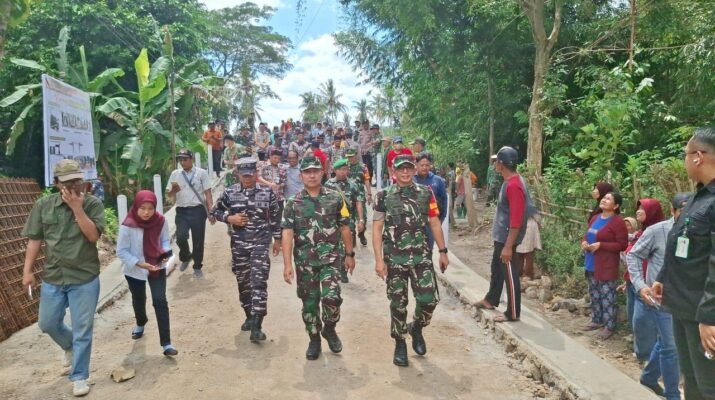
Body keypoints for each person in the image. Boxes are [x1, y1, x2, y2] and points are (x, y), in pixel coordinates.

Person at [21, 159, 105, 397]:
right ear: (57, 183)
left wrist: (78, 209)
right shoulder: (44, 205)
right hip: (54, 276)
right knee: (47, 323)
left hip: (84, 277)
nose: (74, 186)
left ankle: (79, 376)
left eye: (77, 180)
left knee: (83, 329)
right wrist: (27, 271)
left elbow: (92, 237)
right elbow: (35, 239)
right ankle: (69, 346)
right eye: (68, 182)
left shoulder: (92, 204)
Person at [653, 127, 715, 400]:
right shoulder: (698, 198)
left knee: (709, 386)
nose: (684, 161)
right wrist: (663, 277)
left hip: (703, 314)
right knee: (691, 380)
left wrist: (709, 317)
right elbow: (681, 242)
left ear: (698, 157)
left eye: (685, 155)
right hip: (683, 308)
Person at [373, 154, 449, 367]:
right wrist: (379, 260)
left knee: (429, 300)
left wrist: (443, 251)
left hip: (420, 256)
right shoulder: (383, 196)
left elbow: (434, 222)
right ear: (393, 172)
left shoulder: (426, 193)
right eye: (401, 169)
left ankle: (416, 327)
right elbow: (377, 229)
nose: (405, 172)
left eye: (408, 168)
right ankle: (400, 342)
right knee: (398, 303)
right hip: (395, 259)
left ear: (414, 170)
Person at [281, 156, 356, 360]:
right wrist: (287, 264)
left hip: (331, 259)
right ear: (301, 175)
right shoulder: (293, 202)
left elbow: (345, 226)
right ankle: (314, 339)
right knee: (310, 302)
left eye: (315, 171)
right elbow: (287, 232)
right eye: (307, 172)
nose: (312, 175)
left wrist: (350, 254)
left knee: (332, 297)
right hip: (305, 262)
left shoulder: (336, 198)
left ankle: (329, 328)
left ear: (323, 173)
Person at [212, 158, 282, 342]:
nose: (247, 178)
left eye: (250, 175)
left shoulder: (267, 192)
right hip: (239, 244)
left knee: (258, 281)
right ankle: (249, 316)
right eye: (244, 176)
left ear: (256, 174)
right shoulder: (230, 192)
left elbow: (275, 216)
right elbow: (215, 211)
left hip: (260, 242)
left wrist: (277, 239)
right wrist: (229, 218)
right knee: (243, 282)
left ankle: (257, 325)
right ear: (238, 174)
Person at [627, 194, 690, 399]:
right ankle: (672, 394)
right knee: (672, 345)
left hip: (687, 299)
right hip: (662, 299)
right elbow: (633, 255)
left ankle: (649, 376)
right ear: (672, 211)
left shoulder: (699, 230)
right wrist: (640, 285)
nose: (687, 215)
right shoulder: (657, 231)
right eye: (682, 210)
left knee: (667, 341)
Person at [476, 147, 538, 323]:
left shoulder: (514, 186)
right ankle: (491, 299)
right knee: (496, 268)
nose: (494, 164)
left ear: (501, 164)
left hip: (506, 238)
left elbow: (516, 219)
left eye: (496, 161)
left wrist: (509, 246)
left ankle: (513, 312)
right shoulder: (511, 181)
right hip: (501, 237)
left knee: (510, 273)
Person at [117, 190, 177, 356]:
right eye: (142, 208)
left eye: (150, 208)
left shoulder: (161, 221)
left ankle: (166, 343)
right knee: (139, 299)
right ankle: (141, 322)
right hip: (135, 269)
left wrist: (165, 253)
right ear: (136, 206)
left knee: (160, 300)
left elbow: (165, 240)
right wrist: (139, 263)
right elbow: (121, 251)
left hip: (156, 266)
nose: (146, 212)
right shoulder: (128, 225)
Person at [581, 192, 628, 340]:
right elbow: (587, 234)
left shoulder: (617, 222)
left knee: (608, 296)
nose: (604, 200)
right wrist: (584, 242)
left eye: (608, 199)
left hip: (607, 264)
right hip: (591, 261)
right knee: (594, 293)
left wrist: (602, 245)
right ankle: (596, 319)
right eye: (604, 198)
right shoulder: (595, 218)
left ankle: (609, 326)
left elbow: (622, 245)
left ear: (616, 205)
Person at [166, 149, 215, 278]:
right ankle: (186, 256)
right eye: (180, 160)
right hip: (181, 210)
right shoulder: (175, 174)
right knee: (181, 237)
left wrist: (211, 211)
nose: (182, 162)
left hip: (198, 210)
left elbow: (207, 193)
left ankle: (197, 265)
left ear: (191, 159)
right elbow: (169, 194)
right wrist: (173, 191)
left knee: (198, 239)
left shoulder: (201, 173)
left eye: (185, 159)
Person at [626, 198, 665, 361]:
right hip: (635, 282)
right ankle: (643, 354)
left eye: (643, 208)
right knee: (639, 323)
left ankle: (651, 358)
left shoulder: (659, 233)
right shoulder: (640, 233)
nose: (638, 211)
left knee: (650, 324)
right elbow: (632, 256)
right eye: (638, 208)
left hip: (651, 286)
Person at [325, 158, 365, 283]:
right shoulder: (328, 184)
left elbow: (358, 202)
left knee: (346, 246)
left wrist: (361, 220)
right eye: (341, 169)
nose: (344, 172)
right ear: (335, 170)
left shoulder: (353, 185)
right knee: (332, 245)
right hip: (332, 220)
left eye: (346, 169)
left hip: (348, 221)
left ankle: (343, 271)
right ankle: (333, 269)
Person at [413, 152, 448, 252]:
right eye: (422, 165)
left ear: (430, 165)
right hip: (414, 223)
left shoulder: (438, 181)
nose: (424, 167)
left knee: (428, 250)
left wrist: (441, 219)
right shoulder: (411, 180)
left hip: (430, 223)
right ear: (416, 165)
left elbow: (444, 200)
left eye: (427, 165)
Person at [346, 146, 372, 246]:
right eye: (348, 157)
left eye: (352, 156)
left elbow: (366, 180)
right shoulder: (345, 166)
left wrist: (369, 194)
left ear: (356, 155)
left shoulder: (363, 167)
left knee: (362, 217)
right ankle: (352, 236)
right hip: (348, 197)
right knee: (349, 219)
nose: (350, 158)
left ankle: (361, 234)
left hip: (360, 196)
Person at [258, 149, 288, 220]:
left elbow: (285, 181)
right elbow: (258, 177)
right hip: (265, 196)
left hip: (278, 197)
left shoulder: (282, 167)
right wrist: (269, 184)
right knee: (265, 217)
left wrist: (279, 186)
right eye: (275, 158)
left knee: (278, 217)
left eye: (279, 158)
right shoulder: (263, 165)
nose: (277, 160)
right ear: (270, 156)